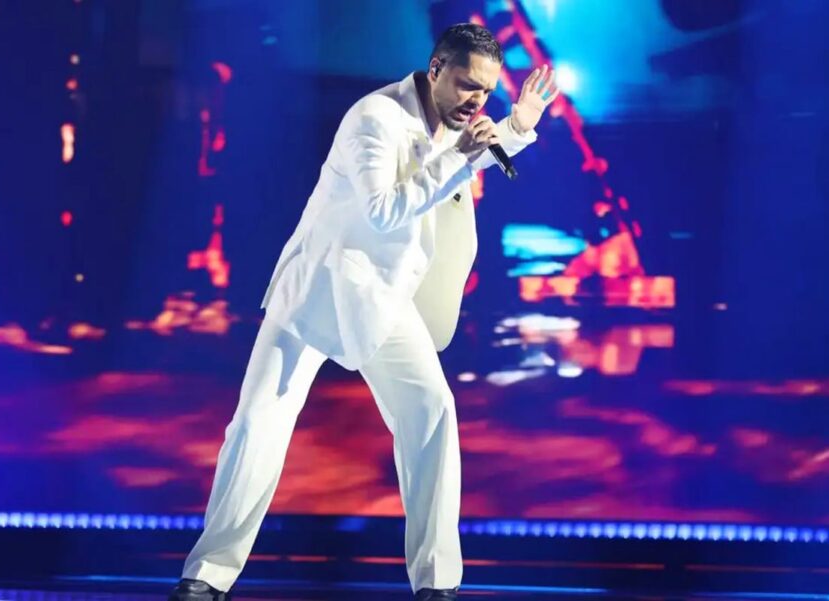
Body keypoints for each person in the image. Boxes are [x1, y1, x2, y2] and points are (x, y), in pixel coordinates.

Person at [170, 24, 559, 601]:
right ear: (435, 70)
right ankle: (205, 576)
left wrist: (517, 125)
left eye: (485, 91)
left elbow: (466, 158)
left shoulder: (454, 122)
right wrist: (463, 156)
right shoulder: (374, 118)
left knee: (432, 412)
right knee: (256, 426)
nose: (476, 101)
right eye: (466, 85)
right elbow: (383, 210)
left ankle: (437, 585)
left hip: (382, 296)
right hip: (319, 286)